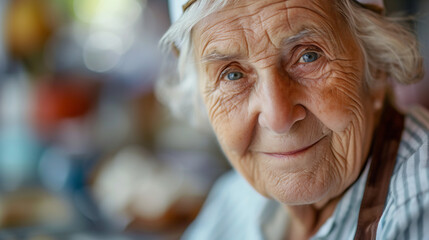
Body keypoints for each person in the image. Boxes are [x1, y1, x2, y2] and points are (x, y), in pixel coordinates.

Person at [157, 0, 429, 239]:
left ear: (377, 67)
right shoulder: (231, 202)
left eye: (308, 56)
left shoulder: (420, 206)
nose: (278, 118)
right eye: (232, 75)